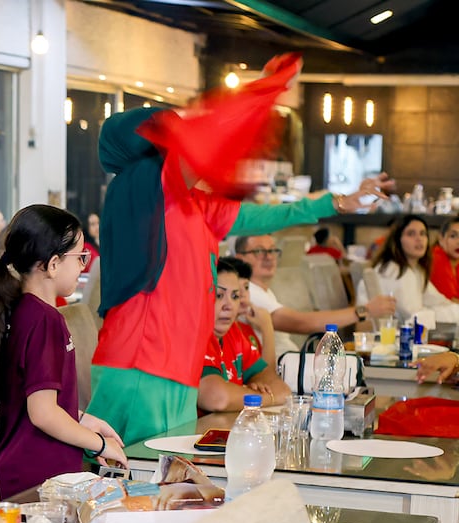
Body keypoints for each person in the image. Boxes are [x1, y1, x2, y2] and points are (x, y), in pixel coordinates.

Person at [85, 54, 397, 445]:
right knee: (130, 471)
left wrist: (336, 202)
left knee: (162, 473)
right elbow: (209, 137)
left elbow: (265, 216)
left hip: (175, 368)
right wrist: (265, 88)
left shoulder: (194, 205)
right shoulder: (150, 188)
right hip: (141, 365)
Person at [0, 205, 127, 500]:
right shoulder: (45, 320)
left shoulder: (25, 311)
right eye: (80, 257)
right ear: (52, 264)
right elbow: (42, 413)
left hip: (25, 474)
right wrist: (99, 444)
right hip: (34, 480)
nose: (83, 265)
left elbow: (36, 400)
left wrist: (81, 419)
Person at [239, 233, 396, 357]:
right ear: (239, 258)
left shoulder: (263, 290)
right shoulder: (248, 292)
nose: (269, 257)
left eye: (272, 250)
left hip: (291, 363)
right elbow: (300, 323)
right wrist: (364, 311)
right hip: (281, 370)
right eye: (258, 251)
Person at [198, 257, 290, 413]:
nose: (229, 306)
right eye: (219, 295)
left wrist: (247, 393)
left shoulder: (233, 332)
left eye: (235, 296)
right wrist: (264, 397)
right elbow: (218, 398)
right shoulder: (196, 338)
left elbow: (280, 388)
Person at [357, 214, 459, 323]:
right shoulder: (394, 270)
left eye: (423, 234)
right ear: (397, 240)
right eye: (411, 234)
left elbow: (438, 301)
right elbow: (414, 316)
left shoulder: (416, 270)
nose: (419, 239)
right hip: (379, 332)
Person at [430, 218, 459, 301]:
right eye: (453, 236)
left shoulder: (456, 262)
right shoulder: (436, 257)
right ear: (441, 239)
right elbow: (450, 300)